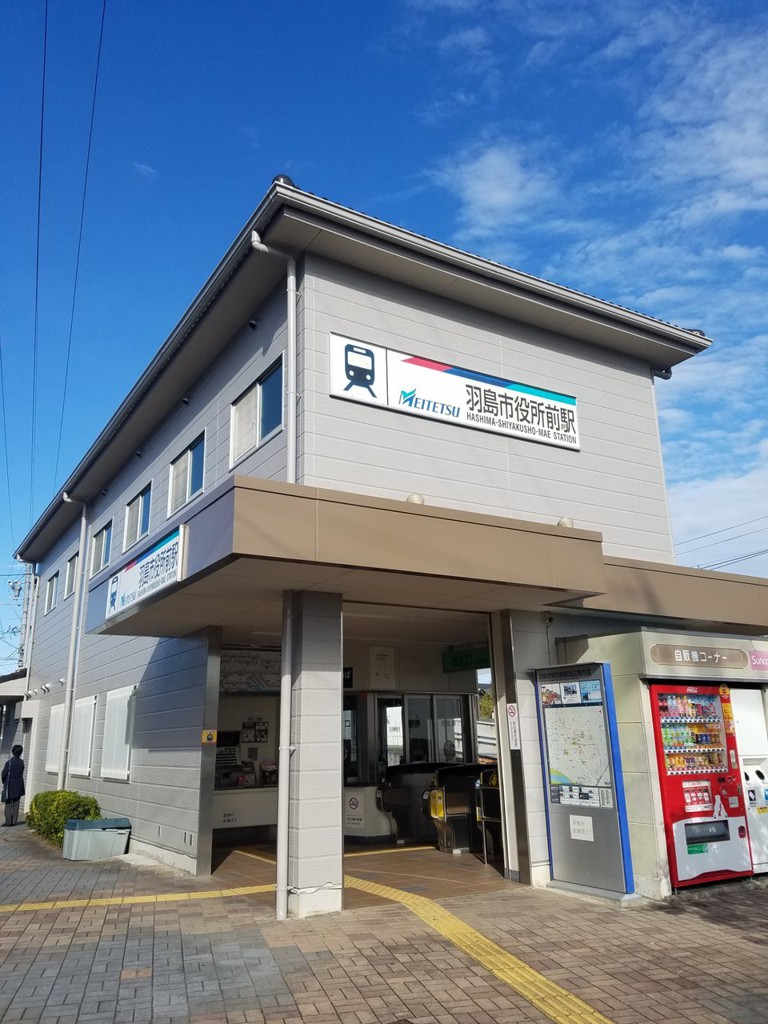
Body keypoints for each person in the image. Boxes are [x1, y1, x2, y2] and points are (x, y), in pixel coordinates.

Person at [2, 745, 25, 827]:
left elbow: (4, 774)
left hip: (10, 784)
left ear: (13, 751)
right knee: (16, 802)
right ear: (20, 752)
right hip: (19, 784)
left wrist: (4, 782)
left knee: (8, 803)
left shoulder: (9, 762)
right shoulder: (22, 762)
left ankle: (8, 822)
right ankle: (14, 821)